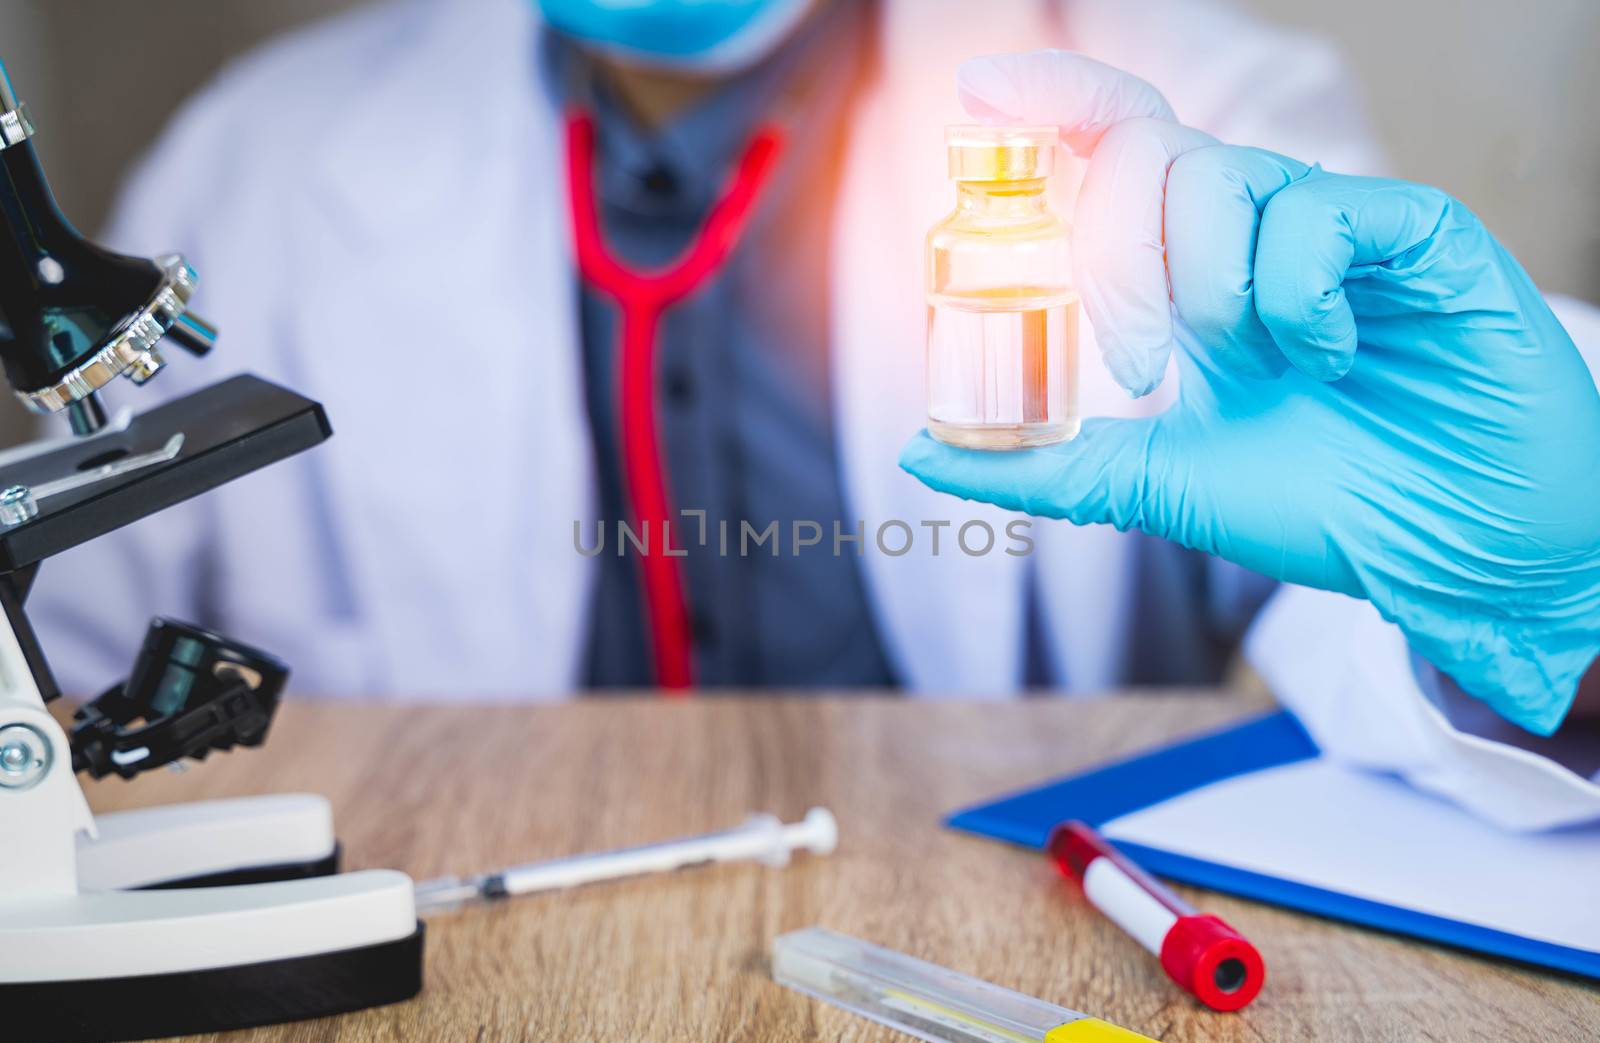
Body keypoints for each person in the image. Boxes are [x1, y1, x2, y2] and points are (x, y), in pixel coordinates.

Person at [29, 1, 1600, 827]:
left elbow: (1343, 593)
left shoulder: (1190, 97)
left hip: (1013, 884)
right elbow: (67, 667)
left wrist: (1557, 613)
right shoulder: (262, 162)